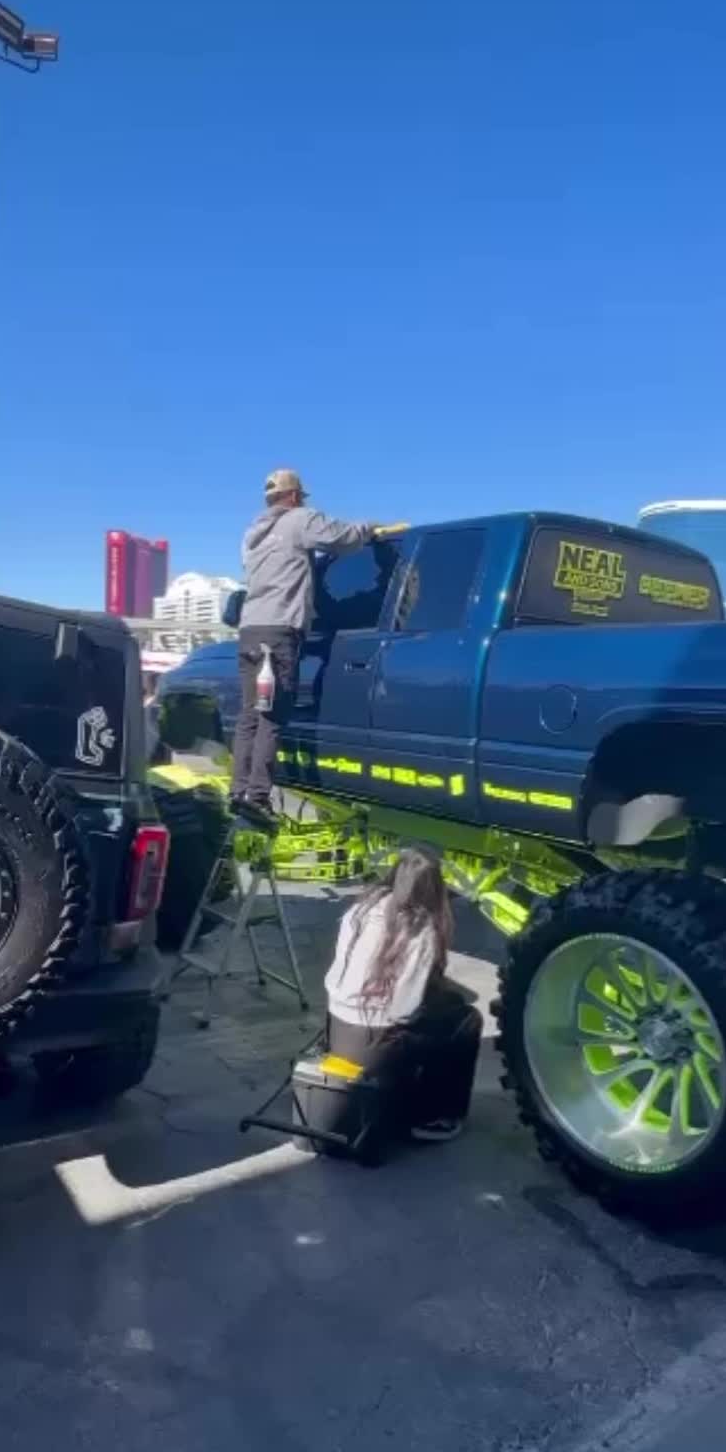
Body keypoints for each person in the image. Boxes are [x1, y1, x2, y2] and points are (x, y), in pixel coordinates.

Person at [232, 469, 372, 826]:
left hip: (250, 630)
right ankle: (257, 798)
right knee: (272, 716)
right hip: (280, 631)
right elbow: (342, 537)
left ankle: (238, 791)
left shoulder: (252, 535)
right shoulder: (300, 520)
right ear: (294, 496)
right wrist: (369, 530)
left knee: (249, 715)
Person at [323, 846, 482, 1143]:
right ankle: (437, 1116)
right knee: (467, 1020)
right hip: (375, 1046)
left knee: (448, 1006)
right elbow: (403, 1010)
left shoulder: (359, 911)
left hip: (339, 1028)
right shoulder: (421, 930)